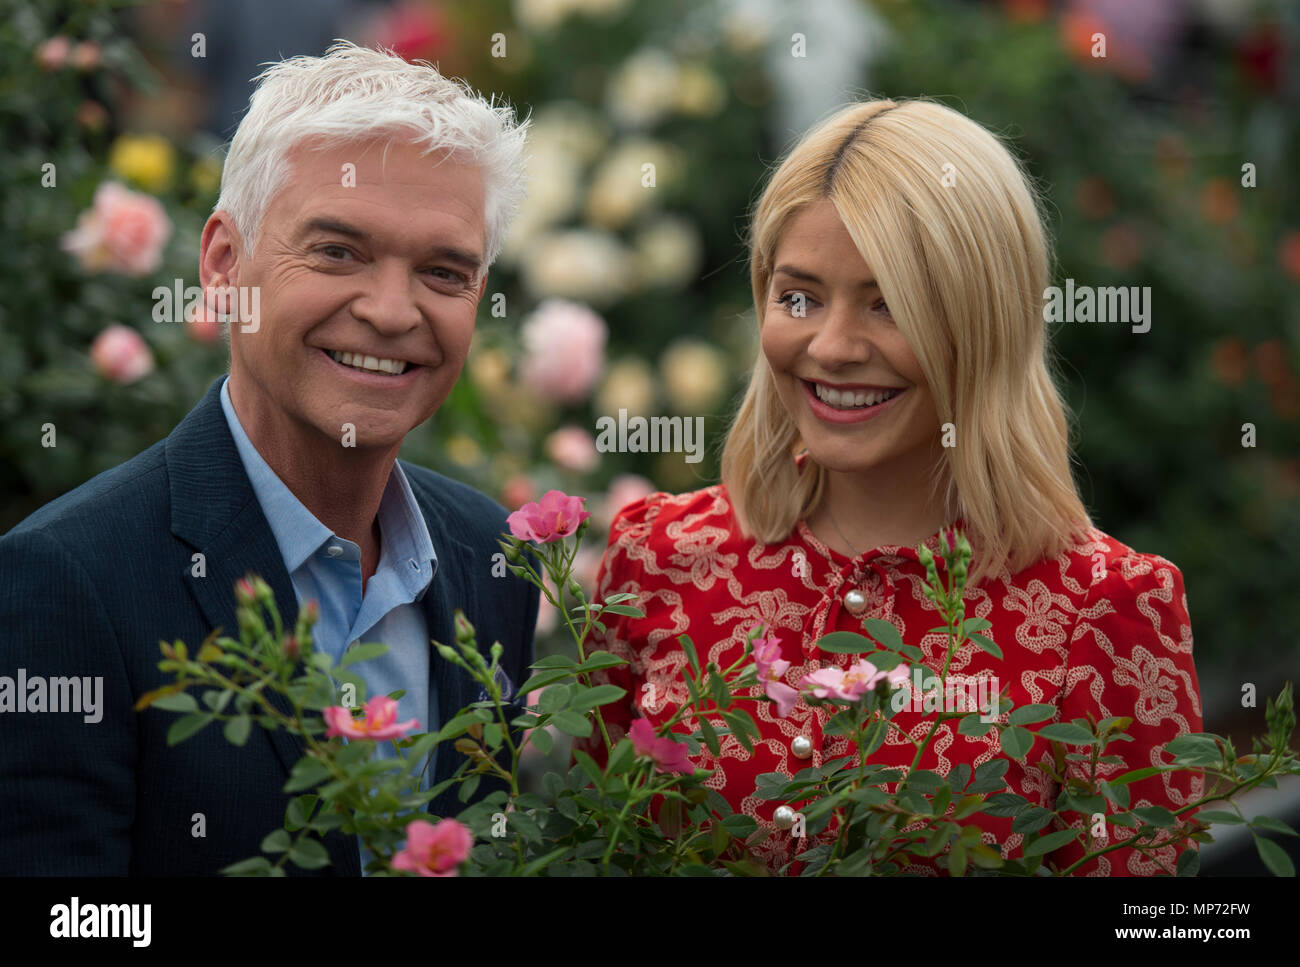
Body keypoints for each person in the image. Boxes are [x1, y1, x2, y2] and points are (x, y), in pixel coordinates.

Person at [578, 99, 1203, 876]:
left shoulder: (1104, 608)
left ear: (983, 322)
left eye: (889, 304)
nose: (832, 346)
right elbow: (588, 843)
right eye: (798, 295)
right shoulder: (657, 556)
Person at [0, 42, 538, 875]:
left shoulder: (494, 555)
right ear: (224, 265)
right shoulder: (67, 581)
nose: (393, 312)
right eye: (336, 252)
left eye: (443, 270)